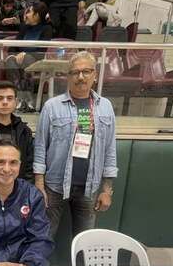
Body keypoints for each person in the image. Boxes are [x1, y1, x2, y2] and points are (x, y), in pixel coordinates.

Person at [33, 51, 117, 240]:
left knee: (85, 243)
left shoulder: (105, 107)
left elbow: (110, 150)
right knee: (43, 239)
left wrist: (106, 190)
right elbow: (40, 147)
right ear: (68, 77)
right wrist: (39, 185)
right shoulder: (52, 106)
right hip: (54, 186)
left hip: (90, 187)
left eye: (86, 71)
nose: (80, 77)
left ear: (94, 75)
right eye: (75, 72)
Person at [4, 2, 54, 111]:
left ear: (37, 15)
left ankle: (28, 99)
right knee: (10, 61)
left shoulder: (47, 29)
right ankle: (18, 98)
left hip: (36, 58)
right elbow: (13, 47)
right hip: (19, 58)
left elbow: (41, 50)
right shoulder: (24, 27)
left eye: (29, 12)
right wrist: (14, 55)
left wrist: (25, 54)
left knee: (27, 59)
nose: (26, 15)